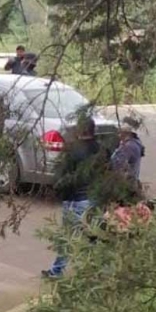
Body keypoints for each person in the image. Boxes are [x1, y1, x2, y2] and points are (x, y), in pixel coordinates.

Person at [42, 117, 110, 278]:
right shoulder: (102, 150)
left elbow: (64, 177)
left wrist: (60, 193)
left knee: (68, 235)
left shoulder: (73, 151)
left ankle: (57, 271)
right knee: (93, 235)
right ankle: (96, 270)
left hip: (76, 199)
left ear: (80, 130)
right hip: (94, 198)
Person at [110, 116, 145, 197]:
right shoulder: (134, 143)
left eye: (121, 132)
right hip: (130, 182)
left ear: (127, 133)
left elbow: (117, 165)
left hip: (126, 186)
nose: (119, 134)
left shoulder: (129, 146)